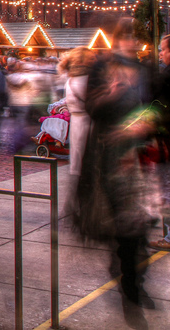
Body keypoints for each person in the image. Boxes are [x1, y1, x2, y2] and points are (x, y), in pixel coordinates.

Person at [71, 19, 157, 328]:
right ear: (118, 39)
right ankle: (131, 293)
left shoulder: (146, 68)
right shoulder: (102, 66)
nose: (133, 43)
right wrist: (111, 92)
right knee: (126, 227)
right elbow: (91, 107)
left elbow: (153, 104)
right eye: (128, 37)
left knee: (141, 226)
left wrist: (147, 121)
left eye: (137, 38)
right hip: (108, 155)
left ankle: (132, 278)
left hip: (137, 155)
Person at [60, 47, 96, 179]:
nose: (95, 60)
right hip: (87, 122)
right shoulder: (84, 80)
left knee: (78, 159)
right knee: (86, 159)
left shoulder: (71, 79)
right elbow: (95, 102)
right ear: (82, 61)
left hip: (77, 122)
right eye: (91, 58)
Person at [149, 34, 170, 251]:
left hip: (166, 141)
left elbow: (157, 107)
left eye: (163, 49)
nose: (160, 53)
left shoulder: (166, 77)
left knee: (166, 189)